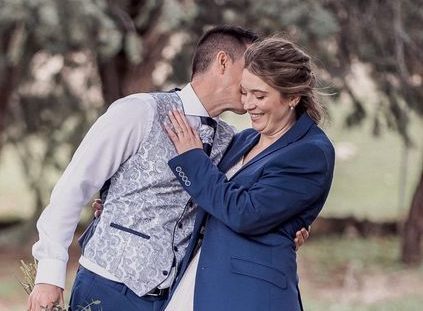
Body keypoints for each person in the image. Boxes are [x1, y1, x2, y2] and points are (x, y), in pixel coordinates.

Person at [27, 26, 309, 311]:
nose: (255, 80)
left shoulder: (233, 141)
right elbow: (73, 188)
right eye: (251, 67)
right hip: (107, 285)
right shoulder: (139, 111)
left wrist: (285, 228)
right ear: (223, 62)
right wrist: (49, 275)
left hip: (176, 298)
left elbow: (240, 205)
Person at [162, 37, 335, 311]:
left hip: (250, 295)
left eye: (260, 95)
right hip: (200, 280)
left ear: (292, 97)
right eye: (245, 92)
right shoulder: (244, 139)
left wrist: (193, 159)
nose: (248, 104)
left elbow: (245, 213)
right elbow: (209, 201)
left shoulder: (311, 152)